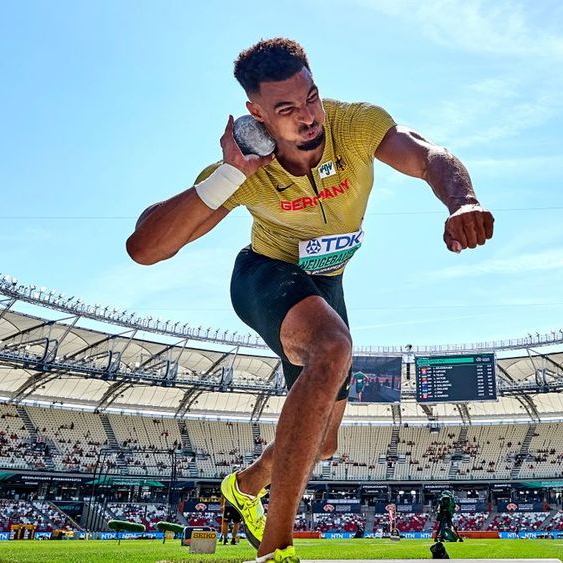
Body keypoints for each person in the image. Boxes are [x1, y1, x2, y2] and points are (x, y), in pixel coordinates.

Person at [126, 38, 494, 563]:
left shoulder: (356, 124)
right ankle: (276, 550)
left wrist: (464, 201)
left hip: (327, 283)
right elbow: (146, 248)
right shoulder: (247, 171)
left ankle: (246, 486)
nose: (307, 118)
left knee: (324, 443)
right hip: (266, 274)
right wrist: (233, 173)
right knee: (331, 347)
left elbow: (428, 155)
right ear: (255, 115)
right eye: (285, 110)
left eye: (311, 98)